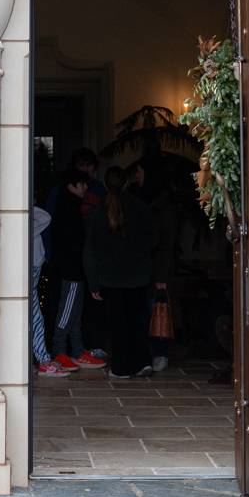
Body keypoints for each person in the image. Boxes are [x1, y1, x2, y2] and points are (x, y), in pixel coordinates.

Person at [84, 165, 155, 379]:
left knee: (117, 325)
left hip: (110, 278)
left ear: (105, 184)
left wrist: (93, 281)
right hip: (138, 275)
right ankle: (142, 362)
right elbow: (154, 239)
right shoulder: (141, 208)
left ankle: (121, 367)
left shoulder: (99, 212)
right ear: (127, 182)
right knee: (138, 322)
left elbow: (91, 250)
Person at [45, 168, 106, 371]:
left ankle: (77, 351)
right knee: (67, 311)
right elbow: (71, 244)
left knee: (74, 311)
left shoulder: (68, 206)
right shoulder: (68, 209)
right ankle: (60, 352)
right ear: (72, 186)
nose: (86, 187)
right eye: (82, 183)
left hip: (73, 270)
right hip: (71, 271)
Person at [134, 160, 178, 373]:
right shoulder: (148, 202)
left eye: (140, 173)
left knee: (157, 312)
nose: (137, 177)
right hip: (146, 269)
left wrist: (162, 276)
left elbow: (166, 244)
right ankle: (152, 353)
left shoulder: (162, 207)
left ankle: (160, 353)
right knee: (149, 312)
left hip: (157, 271)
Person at [29, 206, 68, 378]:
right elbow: (46, 217)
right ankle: (43, 361)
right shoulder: (28, 226)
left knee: (34, 316)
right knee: (35, 316)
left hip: (32, 269)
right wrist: (25, 203)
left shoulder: (29, 225)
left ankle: (39, 360)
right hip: (31, 270)